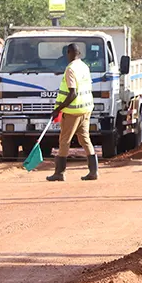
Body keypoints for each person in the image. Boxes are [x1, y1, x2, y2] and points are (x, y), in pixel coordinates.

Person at [48, 43, 98, 182]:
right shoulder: (84, 66)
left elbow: (72, 93)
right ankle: (93, 171)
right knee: (85, 139)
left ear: (69, 52)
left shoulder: (70, 69)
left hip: (72, 111)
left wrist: (58, 109)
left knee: (64, 141)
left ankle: (59, 172)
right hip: (86, 109)